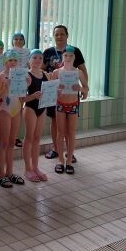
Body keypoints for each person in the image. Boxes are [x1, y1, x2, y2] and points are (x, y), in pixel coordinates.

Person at [43, 25, 88, 162]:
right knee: (55, 122)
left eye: (62, 34)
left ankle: (70, 152)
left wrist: (85, 89)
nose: (59, 36)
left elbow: (83, 70)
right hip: (55, 94)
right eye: (56, 34)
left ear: (67, 35)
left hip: (71, 94)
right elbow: (41, 70)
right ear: (53, 36)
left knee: (69, 126)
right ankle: (56, 149)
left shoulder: (75, 51)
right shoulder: (48, 52)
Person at [51, 46, 88, 174]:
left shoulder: (79, 73)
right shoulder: (57, 72)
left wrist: (80, 89)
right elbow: (50, 90)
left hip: (73, 104)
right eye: (66, 55)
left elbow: (86, 88)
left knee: (71, 133)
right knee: (60, 133)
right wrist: (57, 89)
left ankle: (69, 161)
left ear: (74, 57)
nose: (68, 58)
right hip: (60, 105)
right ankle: (60, 160)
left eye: (71, 56)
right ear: (62, 57)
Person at [0, 50, 25, 188]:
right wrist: (5, 88)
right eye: (10, 60)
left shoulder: (20, 75)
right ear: (5, 62)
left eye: (15, 60)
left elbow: (22, 95)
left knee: (12, 142)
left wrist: (26, 84)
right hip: (4, 110)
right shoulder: (1, 76)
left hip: (16, 109)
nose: (13, 63)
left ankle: (10, 172)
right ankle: (1, 174)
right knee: (3, 143)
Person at [22, 49, 50, 182]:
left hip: (42, 108)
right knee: (29, 138)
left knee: (37, 138)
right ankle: (28, 169)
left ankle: (35, 167)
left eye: (40, 58)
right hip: (30, 108)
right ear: (29, 60)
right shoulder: (26, 76)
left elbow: (49, 92)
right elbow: (22, 99)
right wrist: (33, 96)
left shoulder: (45, 75)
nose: (38, 60)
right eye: (35, 58)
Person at [11, 32, 29, 148]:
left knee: (18, 111)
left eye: (20, 39)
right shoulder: (8, 53)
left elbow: (31, 67)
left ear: (24, 42)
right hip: (10, 84)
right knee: (8, 110)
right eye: (16, 39)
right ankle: (7, 136)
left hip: (22, 84)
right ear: (12, 41)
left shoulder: (28, 53)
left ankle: (15, 136)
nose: (18, 41)